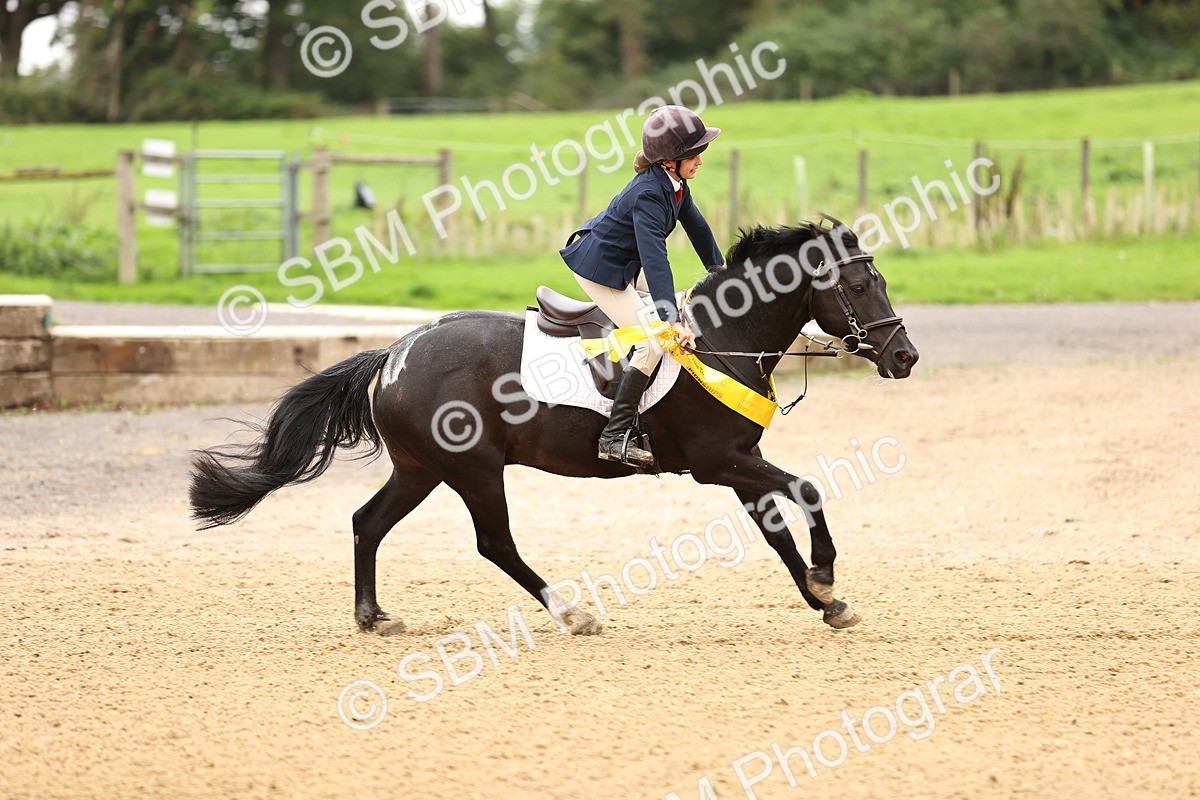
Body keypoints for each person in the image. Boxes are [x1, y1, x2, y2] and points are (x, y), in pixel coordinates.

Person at [559, 105, 725, 467]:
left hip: (627, 262)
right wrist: (670, 321)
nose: (700, 160)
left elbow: (698, 229)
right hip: (601, 270)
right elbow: (656, 259)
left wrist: (721, 270)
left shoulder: (675, 186)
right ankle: (614, 435)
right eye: (694, 155)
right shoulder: (649, 193)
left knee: (675, 312)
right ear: (671, 160)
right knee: (654, 340)